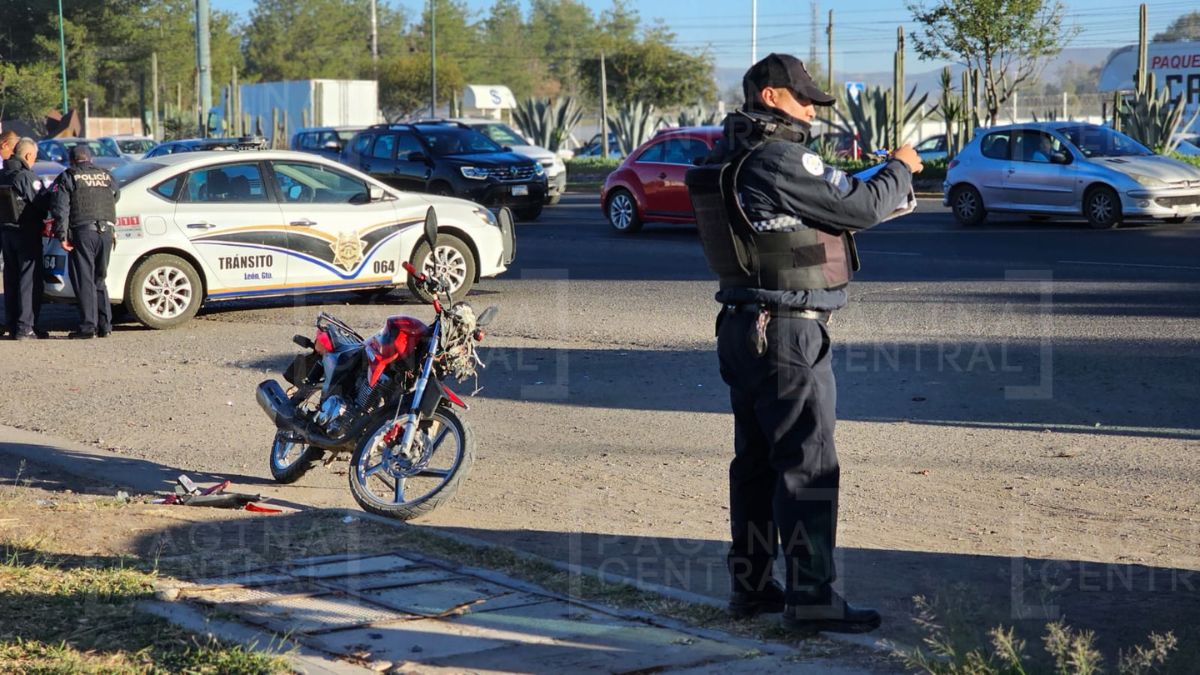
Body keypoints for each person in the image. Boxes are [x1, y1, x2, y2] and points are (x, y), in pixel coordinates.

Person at [685, 53, 923, 635]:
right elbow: (860, 206)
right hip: (787, 331)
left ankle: (752, 589)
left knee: (757, 466)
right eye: (804, 99)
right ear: (770, 96)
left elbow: (816, 215)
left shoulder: (727, 156)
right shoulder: (776, 158)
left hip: (744, 327)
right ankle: (813, 599)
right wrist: (901, 168)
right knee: (808, 465)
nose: (813, 109)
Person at [49, 144, 119, 339]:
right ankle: (105, 326)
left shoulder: (69, 176)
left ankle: (88, 327)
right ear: (91, 159)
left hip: (83, 232)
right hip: (106, 231)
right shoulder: (106, 175)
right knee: (100, 279)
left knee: (84, 280)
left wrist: (62, 236)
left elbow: (60, 208)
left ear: (72, 160)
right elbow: (116, 195)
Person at [0, 137, 50, 339]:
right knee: (29, 281)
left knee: (11, 280)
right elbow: (42, 203)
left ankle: (13, 324)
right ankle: (25, 327)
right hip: (26, 233)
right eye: (35, 157)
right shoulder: (26, 177)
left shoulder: (3, 174)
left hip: (6, 233)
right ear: (28, 155)